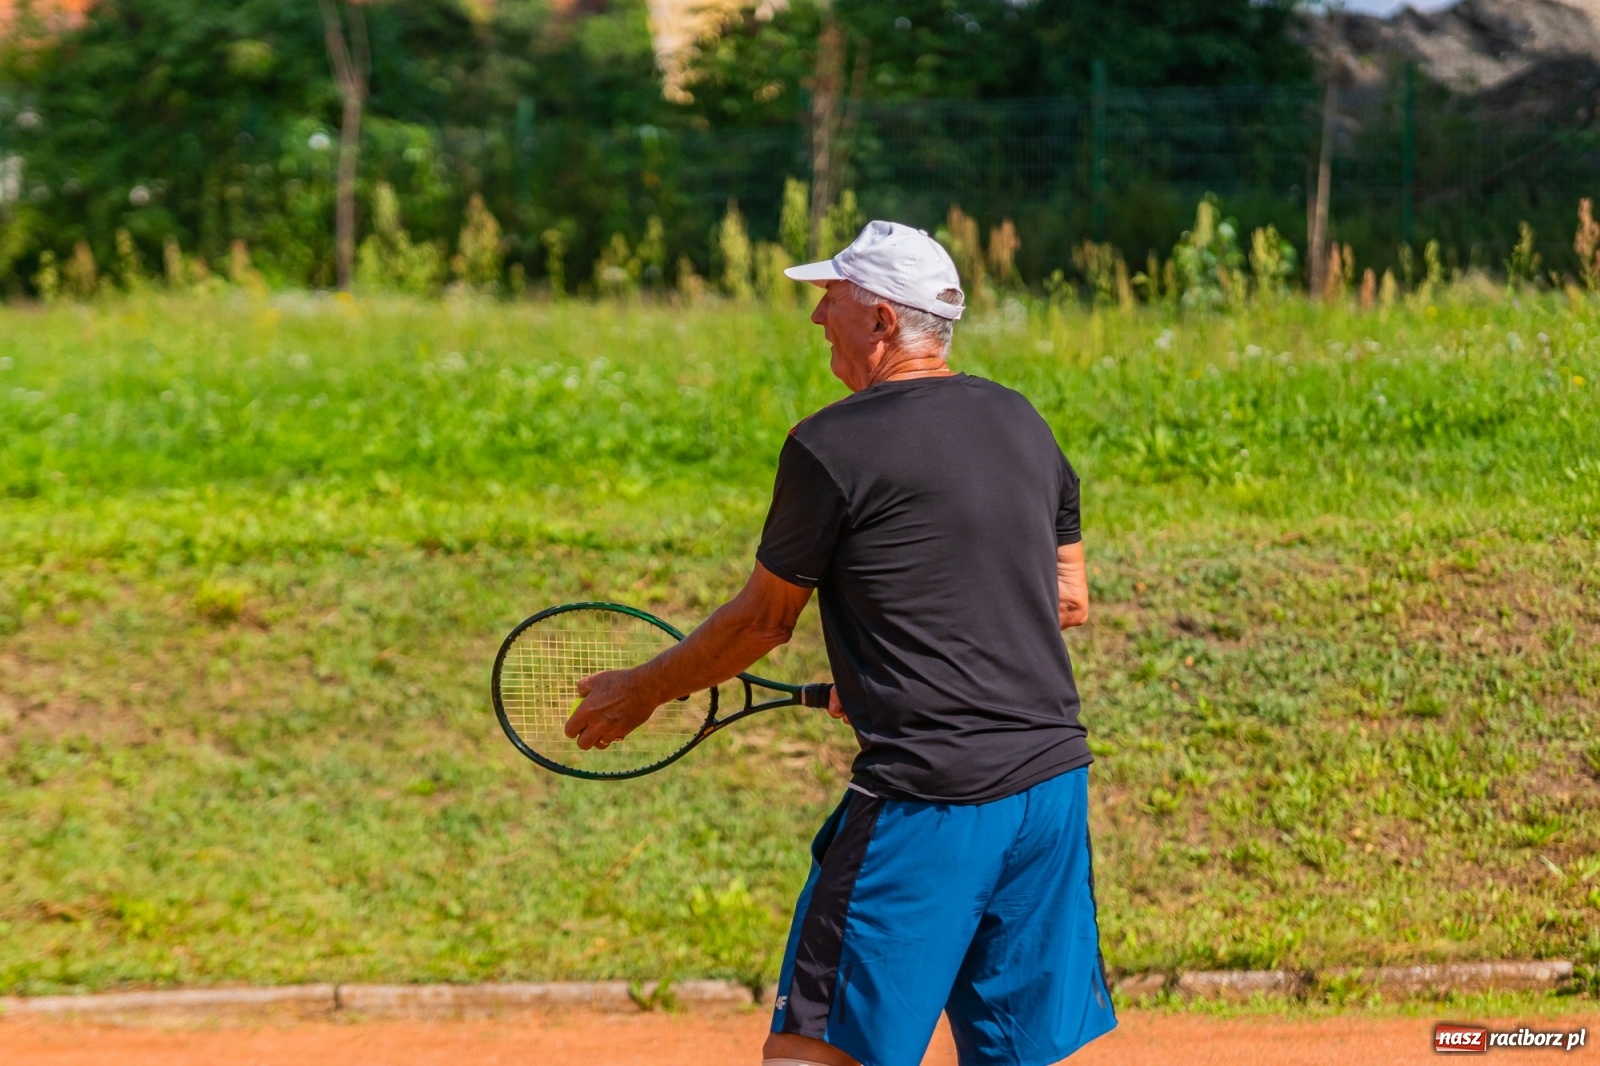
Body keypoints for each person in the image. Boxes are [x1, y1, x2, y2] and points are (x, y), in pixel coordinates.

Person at [566, 221, 1116, 1066]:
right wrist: (907, 673)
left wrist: (645, 687)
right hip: (1048, 791)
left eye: (832, 298)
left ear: (883, 322)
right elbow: (1065, 600)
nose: (818, 317)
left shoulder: (832, 443)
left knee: (818, 1054)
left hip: (929, 802)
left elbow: (762, 622)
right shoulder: (1021, 421)